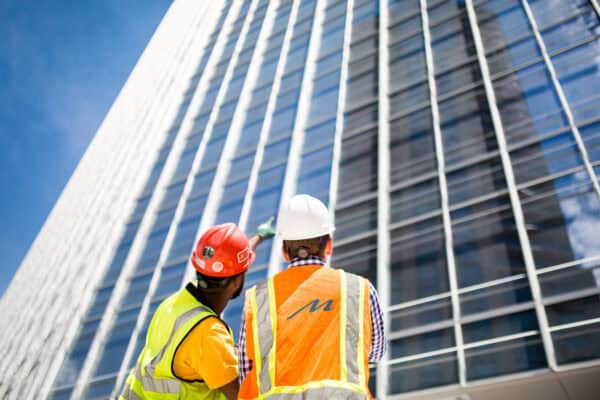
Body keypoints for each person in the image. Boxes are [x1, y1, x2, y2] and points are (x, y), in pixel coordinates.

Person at [238, 194, 387, 400]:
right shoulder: (359, 288)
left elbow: (246, 370)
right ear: (329, 246)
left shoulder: (257, 298)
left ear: (284, 252)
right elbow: (376, 352)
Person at [120, 220, 275, 400]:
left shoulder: (174, 304)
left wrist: (258, 237)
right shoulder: (208, 336)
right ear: (237, 281)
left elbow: (228, 262)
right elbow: (243, 396)